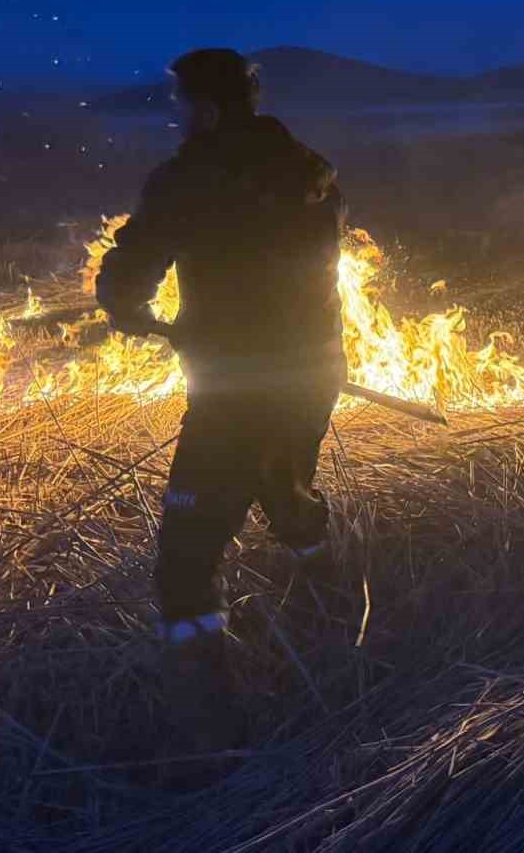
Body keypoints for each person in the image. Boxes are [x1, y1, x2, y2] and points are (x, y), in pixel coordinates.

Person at [95, 48, 348, 755]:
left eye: (180, 104)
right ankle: (342, 629)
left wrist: (128, 310)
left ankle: (213, 741)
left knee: (183, 565)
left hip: (238, 389)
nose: (176, 118)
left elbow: (127, 277)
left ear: (204, 108)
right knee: (285, 488)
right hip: (316, 372)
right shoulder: (311, 168)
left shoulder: (186, 178)